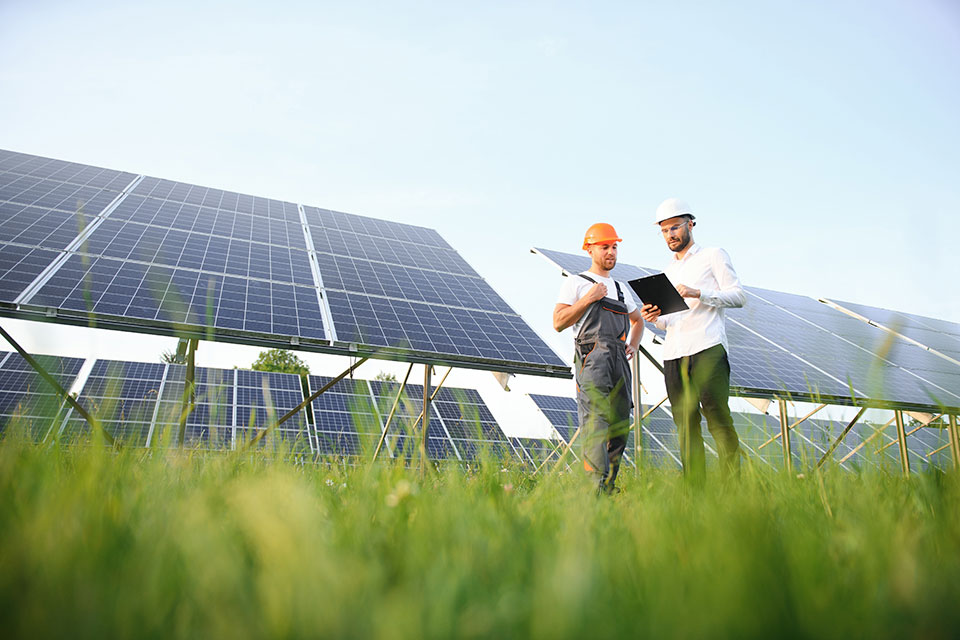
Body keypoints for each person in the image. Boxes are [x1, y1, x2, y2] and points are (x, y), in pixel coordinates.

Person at [640, 198, 745, 486]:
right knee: (685, 427)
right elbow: (669, 320)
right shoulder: (667, 272)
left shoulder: (713, 255)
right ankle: (696, 494)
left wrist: (699, 293)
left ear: (690, 224)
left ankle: (732, 489)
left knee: (718, 419)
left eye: (675, 227)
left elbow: (738, 296)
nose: (670, 235)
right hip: (674, 354)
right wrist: (655, 317)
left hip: (708, 347)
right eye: (664, 231)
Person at [554, 223, 643, 494]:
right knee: (595, 424)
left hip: (619, 360)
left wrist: (634, 343)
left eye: (614, 247)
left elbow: (637, 321)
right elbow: (558, 322)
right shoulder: (576, 282)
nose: (611, 252)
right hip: (592, 357)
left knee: (619, 425)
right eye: (605, 247)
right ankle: (594, 491)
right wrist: (587, 299)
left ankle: (609, 486)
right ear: (590, 249)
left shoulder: (620, 288)